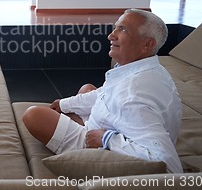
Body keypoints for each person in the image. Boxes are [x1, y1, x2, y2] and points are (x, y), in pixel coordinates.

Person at [22, 9, 183, 173]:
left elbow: (169, 166)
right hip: (119, 126)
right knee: (87, 89)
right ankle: (80, 122)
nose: (111, 35)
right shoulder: (149, 70)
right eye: (116, 27)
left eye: (123, 29)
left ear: (147, 44)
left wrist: (105, 139)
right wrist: (64, 104)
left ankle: (83, 129)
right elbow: (105, 93)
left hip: (102, 145)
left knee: (33, 115)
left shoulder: (133, 96)